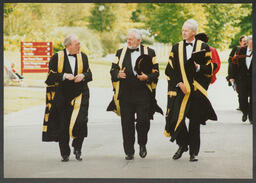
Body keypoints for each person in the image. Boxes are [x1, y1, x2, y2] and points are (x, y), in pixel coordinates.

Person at [164, 19, 217, 162]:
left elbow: (211, 68)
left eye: (186, 30)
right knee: (176, 120)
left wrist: (198, 68)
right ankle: (182, 144)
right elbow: (170, 70)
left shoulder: (204, 47)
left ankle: (193, 152)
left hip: (196, 92)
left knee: (194, 122)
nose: (183, 32)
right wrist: (179, 83)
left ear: (194, 32)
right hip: (181, 90)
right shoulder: (176, 48)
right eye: (182, 30)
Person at [107, 29, 163, 160]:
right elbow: (112, 70)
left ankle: (142, 144)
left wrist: (147, 77)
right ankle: (129, 151)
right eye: (127, 39)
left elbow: (156, 72)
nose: (128, 41)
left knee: (143, 121)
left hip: (143, 93)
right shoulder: (120, 53)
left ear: (138, 40)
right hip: (125, 93)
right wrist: (117, 74)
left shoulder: (150, 52)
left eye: (131, 39)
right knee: (127, 123)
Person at [42, 35, 92, 162]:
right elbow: (50, 78)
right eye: (77, 44)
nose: (79, 46)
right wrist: (64, 76)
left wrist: (83, 75)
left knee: (81, 122)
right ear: (68, 46)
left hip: (81, 94)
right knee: (63, 125)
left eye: (79, 43)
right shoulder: (56, 57)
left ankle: (77, 147)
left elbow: (89, 74)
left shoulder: (83, 56)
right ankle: (65, 153)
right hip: (62, 95)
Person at [229, 35, 253, 123]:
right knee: (242, 98)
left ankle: (252, 117)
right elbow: (234, 64)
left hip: (252, 80)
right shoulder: (241, 50)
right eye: (250, 42)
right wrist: (231, 77)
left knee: (253, 99)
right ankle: (245, 112)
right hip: (242, 79)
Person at [227, 35, 247, 110]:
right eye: (244, 41)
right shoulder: (236, 49)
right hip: (237, 73)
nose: (245, 43)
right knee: (239, 90)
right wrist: (230, 75)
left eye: (246, 41)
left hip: (246, 74)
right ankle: (242, 105)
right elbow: (230, 61)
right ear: (240, 42)